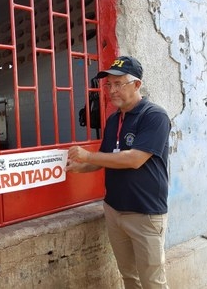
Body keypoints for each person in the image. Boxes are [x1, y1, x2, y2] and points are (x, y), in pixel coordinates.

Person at [66, 56, 171, 289]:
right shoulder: (114, 120)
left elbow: (134, 159)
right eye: (108, 85)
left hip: (145, 214)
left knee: (152, 281)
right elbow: (106, 159)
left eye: (118, 84)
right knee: (129, 277)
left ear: (136, 85)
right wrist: (78, 167)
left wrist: (88, 156)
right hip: (114, 211)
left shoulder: (154, 116)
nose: (111, 91)